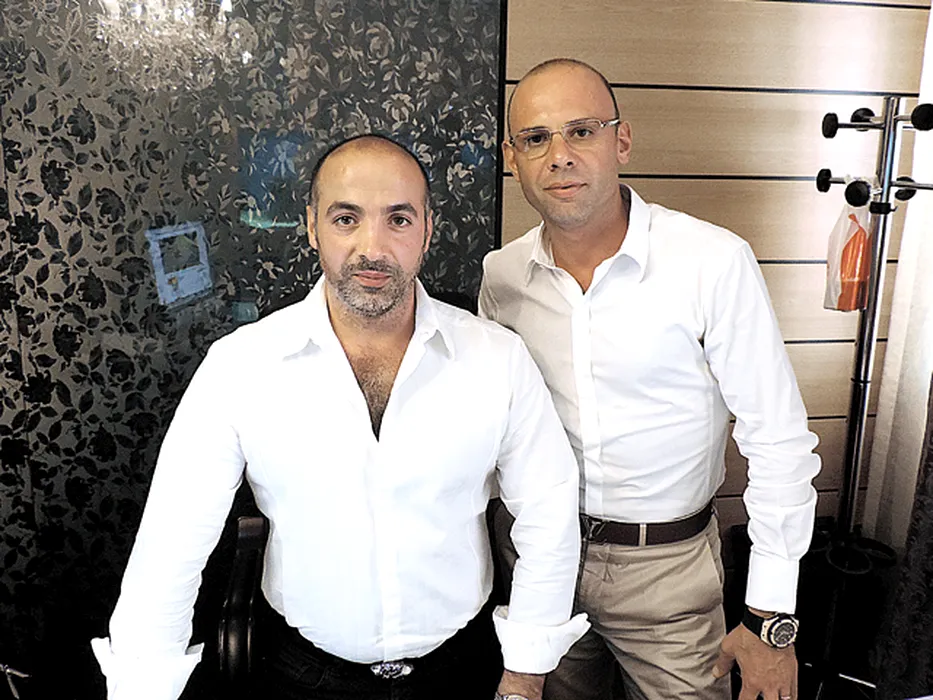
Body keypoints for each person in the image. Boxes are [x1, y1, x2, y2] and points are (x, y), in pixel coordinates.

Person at [91, 134, 589, 700]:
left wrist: (524, 675)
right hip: (300, 676)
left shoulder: (498, 359)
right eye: (346, 219)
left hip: (463, 670)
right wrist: (143, 688)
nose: (372, 247)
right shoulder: (240, 366)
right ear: (313, 227)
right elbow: (173, 539)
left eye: (398, 219)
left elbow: (548, 514)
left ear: (427, 229)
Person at [479, 59, 821, 700]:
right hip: (540, 558)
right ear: (513, 158)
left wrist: (771, 619)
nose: (559, 155)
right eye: (536, 138)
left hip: (669, 571)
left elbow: (777, 440)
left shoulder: (711, 262)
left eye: (582, 131)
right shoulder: (502, 277)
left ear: (622, 141)